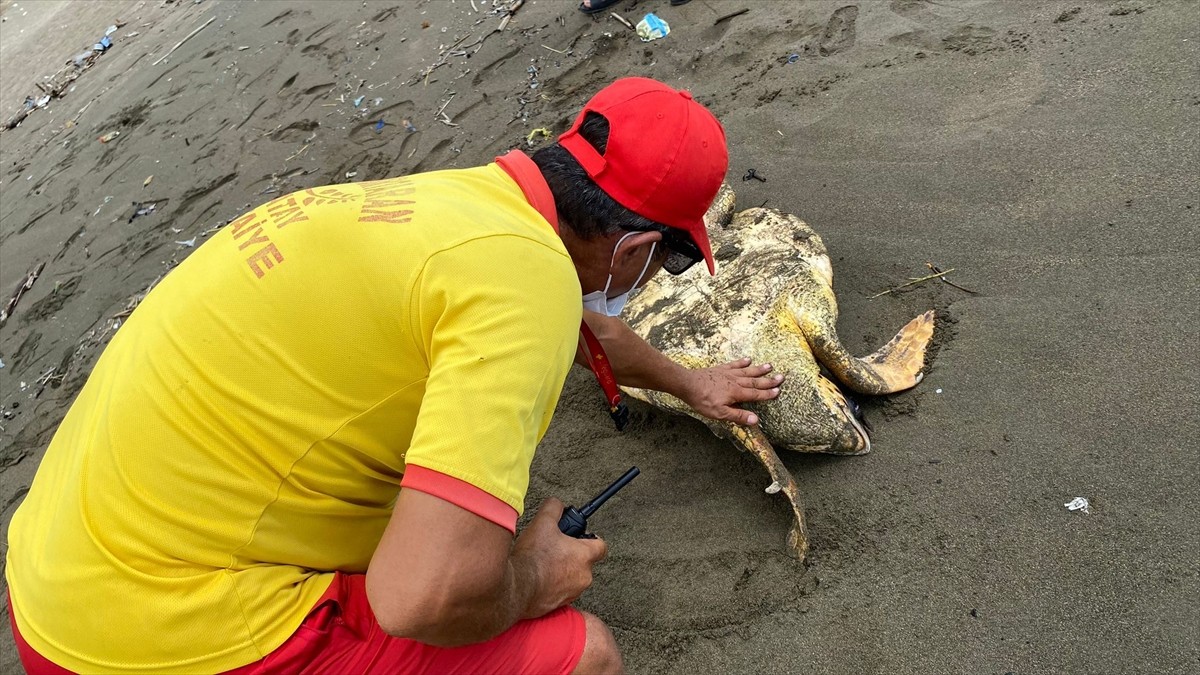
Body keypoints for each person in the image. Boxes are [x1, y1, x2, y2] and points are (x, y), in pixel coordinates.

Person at [6, 76, 783, 675]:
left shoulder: (465, 203)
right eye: (672, 259)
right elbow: (422, 597)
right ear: (634, 249)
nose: (659, 274)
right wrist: (528, 576)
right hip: (142, 638)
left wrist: (690, 383)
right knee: (583, 652)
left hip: (54, 571)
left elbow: (584, 328)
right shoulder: (526, 288)